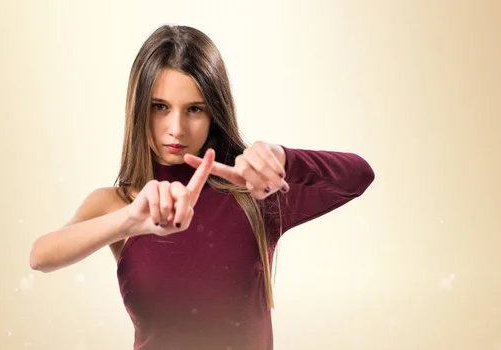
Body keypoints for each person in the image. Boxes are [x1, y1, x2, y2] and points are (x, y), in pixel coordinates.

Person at [29, 24, 375, 350]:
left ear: (214, 113)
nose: (176, 128)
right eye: (160, 107)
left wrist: (284, 159)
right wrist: (131, 220)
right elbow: (40, 256)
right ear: (138, 110)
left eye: (194, 109)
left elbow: (359, 175)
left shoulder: (253, 194)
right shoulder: (118, 204)